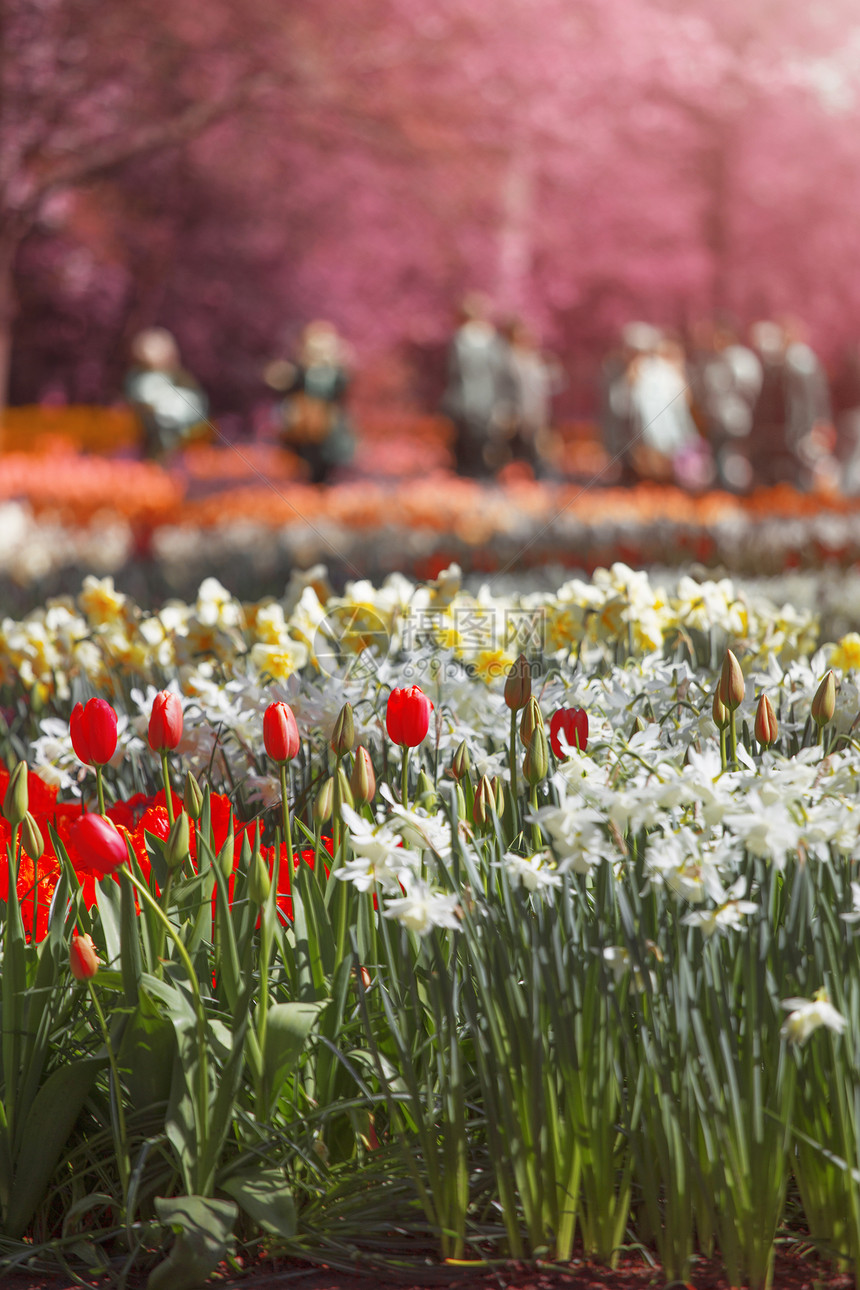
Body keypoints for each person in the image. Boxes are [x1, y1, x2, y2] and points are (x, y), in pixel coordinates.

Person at [265, 321, 354, 485]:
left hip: (329, 418)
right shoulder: (299, 369)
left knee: (332, 447)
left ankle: (327, 475)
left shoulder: (336, 371)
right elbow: (287, 386)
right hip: (304, 418)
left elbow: (342, 389)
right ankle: (310, 474)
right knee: (304, 446)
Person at [441, 294, 508, 477]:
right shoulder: (492, 340)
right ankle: (482, 474)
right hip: (487, 398)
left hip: (465, 398)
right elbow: (500, 372)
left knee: (463, 442)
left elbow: (454, 372)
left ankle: (466, 474)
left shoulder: (460, 339)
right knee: (483, 441)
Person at [124, 328, 209, 459]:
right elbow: (137, 399)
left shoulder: (179, 375)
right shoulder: (137, 377)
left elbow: (196, 399)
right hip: (154, 423)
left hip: (181, 421)